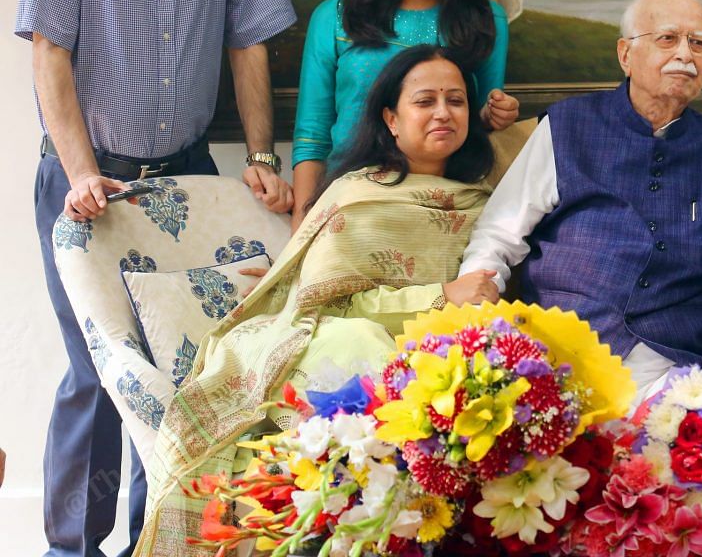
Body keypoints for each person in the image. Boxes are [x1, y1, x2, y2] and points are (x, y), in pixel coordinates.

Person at [14, 0, 296, 557]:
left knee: (181, 372)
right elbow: (51, 55)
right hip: (86, 181)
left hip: (186, 181)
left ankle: (158, 539)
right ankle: (73, 546)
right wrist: (78, 173)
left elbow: (250, 44)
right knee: (95, 370)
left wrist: (263, 155)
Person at [135, 45, 501, 555]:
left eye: (456, 101)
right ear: (391, 119)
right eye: (426, 100)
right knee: (366, 344)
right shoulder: (356, 194)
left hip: (443, 353)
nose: (443, 112)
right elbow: (327, 303)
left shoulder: (485, 202)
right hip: (339, 338)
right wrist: (440, 296)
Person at [458, 0, 702, 402]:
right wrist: (477, 307)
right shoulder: (566, 127)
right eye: (667, 38)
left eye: (698, 43)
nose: (685, 54)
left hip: (682, 374)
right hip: (564, 362)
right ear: (625, 55)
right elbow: (498, 235)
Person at [291, 0, 518, 230]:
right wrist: (301, 237)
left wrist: (496, 116)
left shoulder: (484, 19)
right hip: (349, 212)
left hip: (445, 214)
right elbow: (312, 138)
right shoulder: (335, 17)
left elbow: (472, 129)